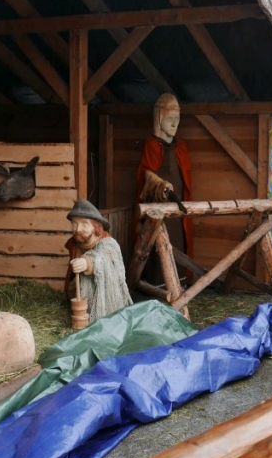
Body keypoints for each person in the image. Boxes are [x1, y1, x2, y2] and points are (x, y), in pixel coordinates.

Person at [136, 93, 193, 284]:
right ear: (159, 118)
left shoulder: (181, 147)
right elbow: (146, 174)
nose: (175, 124)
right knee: (157, 247)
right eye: (170, 119)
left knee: (178, 243)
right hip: (158, 207)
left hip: (178, 208)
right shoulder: (151, 145)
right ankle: (158, 284)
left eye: (177, 119)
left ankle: (179, 282)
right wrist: (159, 185)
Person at [65, 198, 134, 324]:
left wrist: (88, 263)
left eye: (84, 224)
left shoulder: (108, 243)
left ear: (96, 227)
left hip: (105, 298)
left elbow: (103, 256)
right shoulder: (74, 243)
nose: (78, 228)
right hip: (77, 299)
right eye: (74, 223)